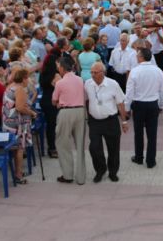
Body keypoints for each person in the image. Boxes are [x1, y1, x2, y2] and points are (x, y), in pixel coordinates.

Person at [85, 62, 128, 182]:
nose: (92, 75)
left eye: (95, 72)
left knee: (113, 149)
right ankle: (100, 170)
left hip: (111, 121)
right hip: (94, 122)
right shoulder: (88, 84)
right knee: (94, 148)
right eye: (91, 72)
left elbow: (120, 103)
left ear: (102, 72)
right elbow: (85, 100)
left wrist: (124, 122)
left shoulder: (112, 84)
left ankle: (113, 172)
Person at [126, 47, 163, 169]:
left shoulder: (134, 71)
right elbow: (162, 90)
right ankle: (151, 160)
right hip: (153, 104)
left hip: (138, 105)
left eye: (138, 55)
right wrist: (161, 104)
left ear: (141, 57)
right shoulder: (158, 71)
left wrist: (127, 108)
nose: (137, 57)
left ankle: (139, 157)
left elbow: (129, 92)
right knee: (152, 134)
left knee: (138, 133)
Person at [52, 56, 87, 184]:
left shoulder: (60, 82)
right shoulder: (80, 79)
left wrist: (58, 102)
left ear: (62, 67)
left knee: (62, 143)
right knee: (80, 143)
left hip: (66, 112)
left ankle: (68, 175)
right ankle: (81, 177)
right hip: (80, 111)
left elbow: (54, 100)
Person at [2, 68, 37, 184]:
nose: (29, 80)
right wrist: (32, 113)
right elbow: (20, 107)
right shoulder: (20, 89)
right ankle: (19, 174)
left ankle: (16, 172)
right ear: (23, 78)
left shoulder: (10, 86)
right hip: (17, 122)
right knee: (20, 149)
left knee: (15, 148)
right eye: (28, 77)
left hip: (8, 121)